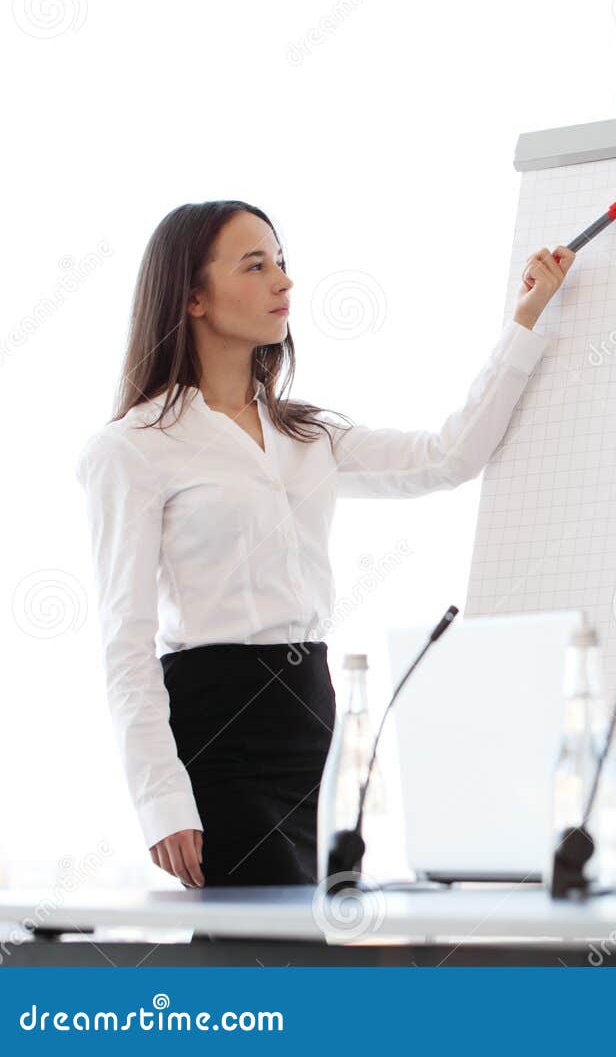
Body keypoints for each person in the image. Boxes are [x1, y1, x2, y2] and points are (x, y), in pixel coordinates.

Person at [76, 200, 573, 888]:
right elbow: (124, 639)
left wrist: (525, 319)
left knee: (310, 935)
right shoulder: (132, 448)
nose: (283, 281)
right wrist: (160, 797)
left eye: (281, 262)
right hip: (216, 722)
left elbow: (448, 457)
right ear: (191, 295)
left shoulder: (307, 437)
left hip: (310, 711)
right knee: (261, 945)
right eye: (255, 265)